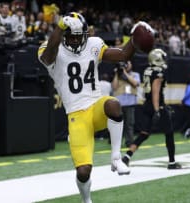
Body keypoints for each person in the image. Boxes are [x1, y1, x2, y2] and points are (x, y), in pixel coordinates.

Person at [38, 12, 154, 203]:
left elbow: (123, 54)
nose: (75, 40)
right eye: (71, 36)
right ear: (64, 34)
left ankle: (117, 158)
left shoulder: (93, 44)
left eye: (79, 35)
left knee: (113, 104)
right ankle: (86, 199)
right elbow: (48, 58)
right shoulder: (51, 47)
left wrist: (134, 39)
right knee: (83, 171)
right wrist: (59, 27)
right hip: (76, 115)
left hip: (95, 106)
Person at [121, 48, 182, 170]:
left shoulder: (147, 70)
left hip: (146, 105)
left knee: (144, 134)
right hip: (156, 104)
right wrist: (157, 110)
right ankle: (172, 162)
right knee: (169, 133)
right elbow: (155, 92)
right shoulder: (159, 72)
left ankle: (127, 156)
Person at [112, 61, 140, 147]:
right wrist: (117, 74)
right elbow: (114, 87)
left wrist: (124, 72)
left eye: (128, 64)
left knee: (129, 124)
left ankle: (129, 141)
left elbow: (135, 83)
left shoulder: (135, 74)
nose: (126, 65)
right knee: (117, 124)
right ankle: (115, 142)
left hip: (130, 103)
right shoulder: (117, 75)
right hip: (118, 103)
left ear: (131, 65)